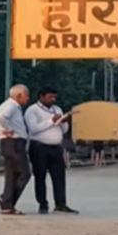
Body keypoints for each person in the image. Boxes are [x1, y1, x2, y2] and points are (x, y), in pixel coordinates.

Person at [25, 87, 78, 215]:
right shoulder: (32, 110)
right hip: (39, 146)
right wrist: (51, 121)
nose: (53, 100)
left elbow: (64, 130)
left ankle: (61, 204)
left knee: (59, 176)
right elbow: (33, 128)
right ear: (41, 97)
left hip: (56, 147)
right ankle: (42, 204)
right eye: (50, 97)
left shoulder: (57, 109)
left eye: (55, 97)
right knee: (40, 176)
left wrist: (63, 122)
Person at [0, 84, 32, 215]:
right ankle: (6, 199)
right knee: (24, 173)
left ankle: (7, 204)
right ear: (19, 95)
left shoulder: (14, 107)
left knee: (12, 174)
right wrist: (8, 129)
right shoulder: (10, 106)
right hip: (13, 142)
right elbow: (1, 117)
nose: (28, 98)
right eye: (26, 95)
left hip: (13, 143)